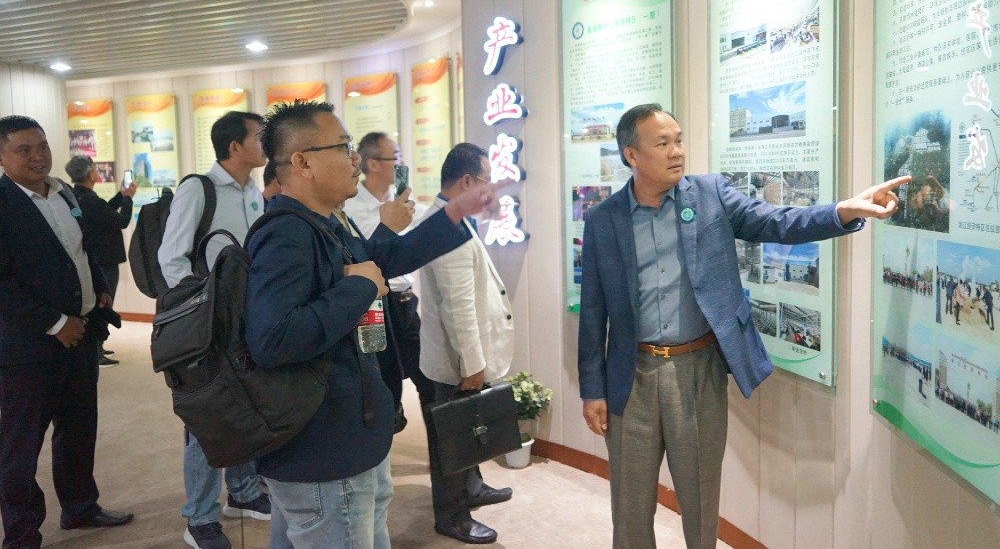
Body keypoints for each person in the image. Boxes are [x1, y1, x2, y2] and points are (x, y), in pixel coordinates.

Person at [577, 104, 909, 549]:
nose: (677, 151)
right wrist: (592, 389)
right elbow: (593, 308)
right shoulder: (604, 219)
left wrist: (843, 211)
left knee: (699, 500)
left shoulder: (709, 194)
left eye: (679, 140)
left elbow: (777, 221)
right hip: (630, 376)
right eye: (663, 143)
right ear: (631, 155)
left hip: (698, 369)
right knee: (630, 506)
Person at [243, 101, 496, 548]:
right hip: (325, 449)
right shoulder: (286, 234)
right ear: (302, 163)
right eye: (343, 148)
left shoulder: (323, 223)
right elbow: (273, 338)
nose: (355, 159)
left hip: (349, 432)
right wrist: (358, 287)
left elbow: (379, 261)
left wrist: (454, 213)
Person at [0, 115, 134, 548]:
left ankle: (79, 507)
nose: (37, 156)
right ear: (1, 156)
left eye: (41, 146)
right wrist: (55, 323)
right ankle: (22, 533)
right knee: (20, 445)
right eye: (24, 150)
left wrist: (100, 287)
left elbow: (80, 248)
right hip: (27, 348)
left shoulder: (63, 193)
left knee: (78, 429)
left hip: (81, 337)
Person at [157, 111, 270, 549]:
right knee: (206, 418)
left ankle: (243, 493)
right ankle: (200, 517)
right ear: (234, 146)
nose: (266, 142)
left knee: (244, 406)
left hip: (247, 319)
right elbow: (172, 258)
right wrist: (200, 311)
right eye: (260, 136)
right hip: (208, 325)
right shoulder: (198, 188)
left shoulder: (252, 191)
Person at [418, 142, 515, 545]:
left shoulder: (452, 218)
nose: (490, 192)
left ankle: (471, 488)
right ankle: (453, 516)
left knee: (468, 431)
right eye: (487, 182)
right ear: (466, 181)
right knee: (453, 439)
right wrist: (472, 366)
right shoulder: (445, 228)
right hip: (457, 363)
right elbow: (458, 306)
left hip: (459, 358)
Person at [344, 131, 436, 433]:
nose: (401, 163)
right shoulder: (350, 208)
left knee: (428, 379)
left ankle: (443, 456)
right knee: (385, 384)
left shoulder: (401, 203)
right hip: (375, 306)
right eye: (395, 158)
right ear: (372, 164)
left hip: (406, 302)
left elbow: (430, 224)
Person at [66, 155, 137, 367]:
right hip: (104, 261)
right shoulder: (90, 201)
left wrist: (121, 196)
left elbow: (105, 211)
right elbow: (121, 221)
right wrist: (128, 199)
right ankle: (97, 350)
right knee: (104, 302)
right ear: (90, 174)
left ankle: (98, 347)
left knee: (97, 303)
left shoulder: (76, 197)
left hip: (93, 258)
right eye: (95, 169)